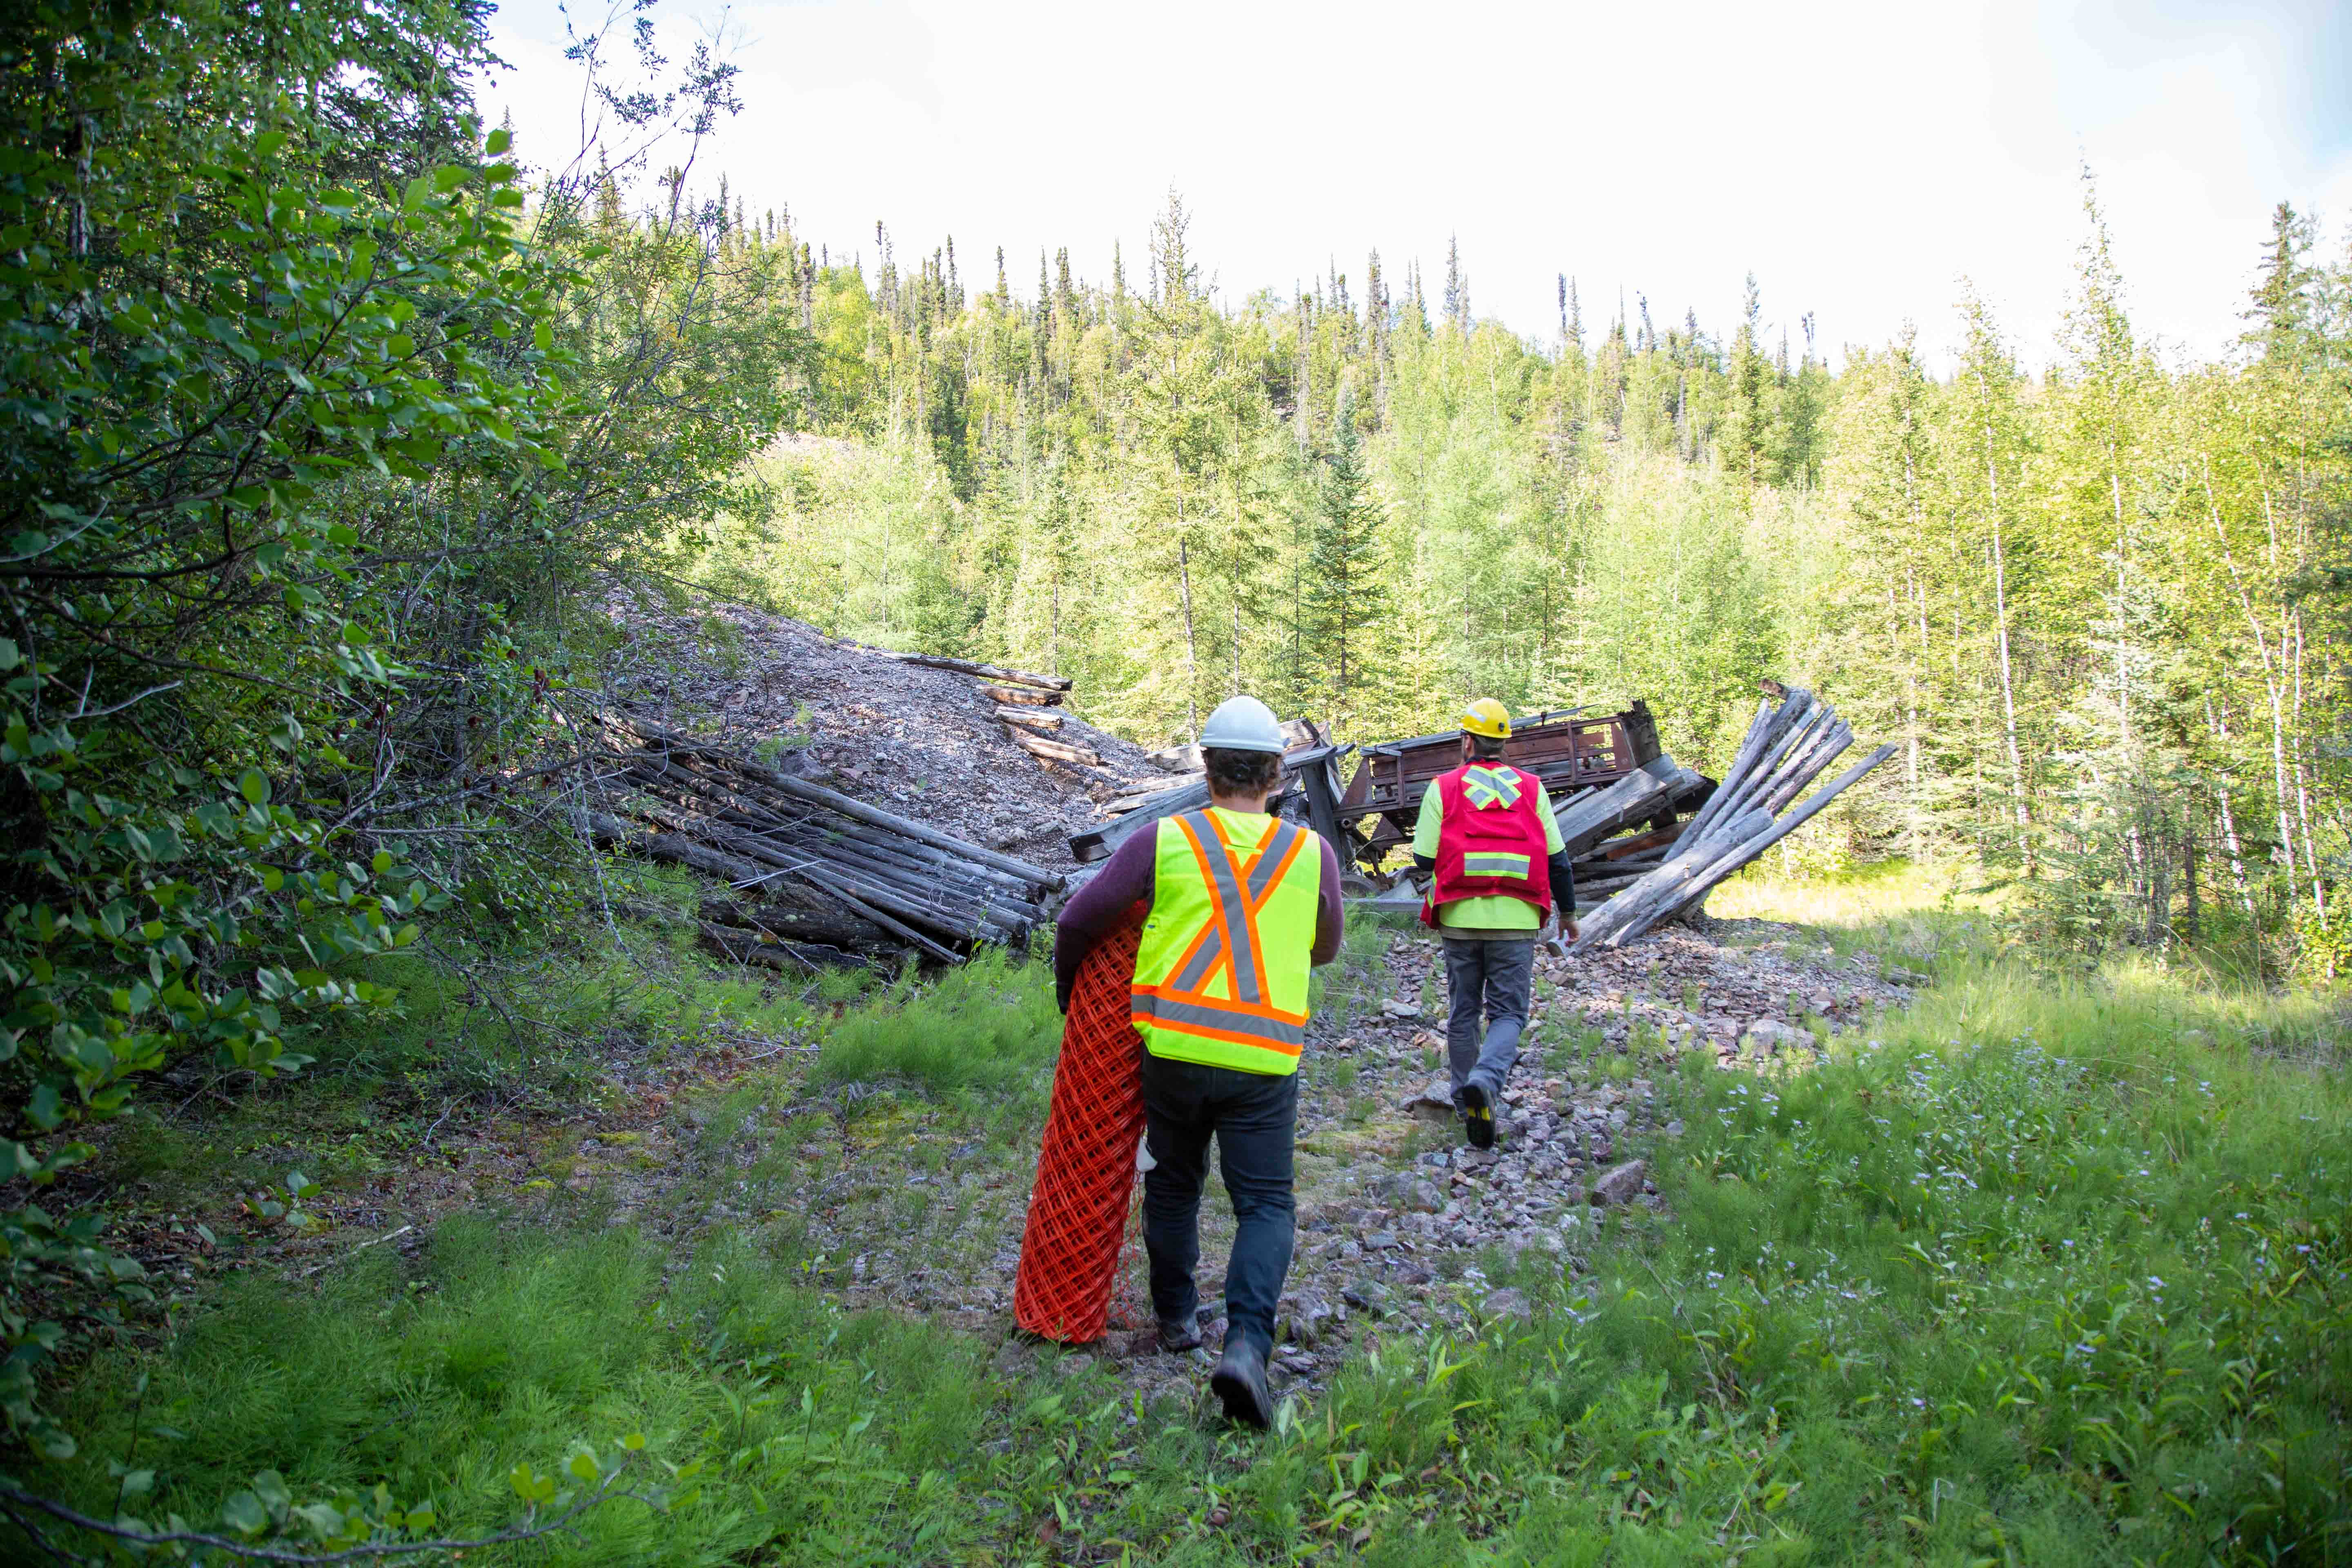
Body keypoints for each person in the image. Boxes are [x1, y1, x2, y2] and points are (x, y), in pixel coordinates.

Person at [1054, 694, 1343, 1428]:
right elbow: (1327, 947)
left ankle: (1178, 1321)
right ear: (1277, 774)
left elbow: (1079, 918)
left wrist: (1071, 995)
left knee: (1176, 1185)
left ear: (1206, 768)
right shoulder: (1311, 854)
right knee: (1267, 1204)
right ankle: (1246, 1346)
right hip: (1263, 1062)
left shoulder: (1164, 840)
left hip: (1174, 1051)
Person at [1412, 699, 1577, 1151]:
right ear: (1504, 744)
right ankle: (1487, 1081)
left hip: (1460, 920)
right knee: (1508, 1013)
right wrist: (1569, 914)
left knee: (1464, 1010)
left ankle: (1468, 1103)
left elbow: (1424, 859)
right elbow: (1558, 860)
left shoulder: (1443, 787)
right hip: (1517, 921)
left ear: (1466, 741)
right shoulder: (1532, 788)